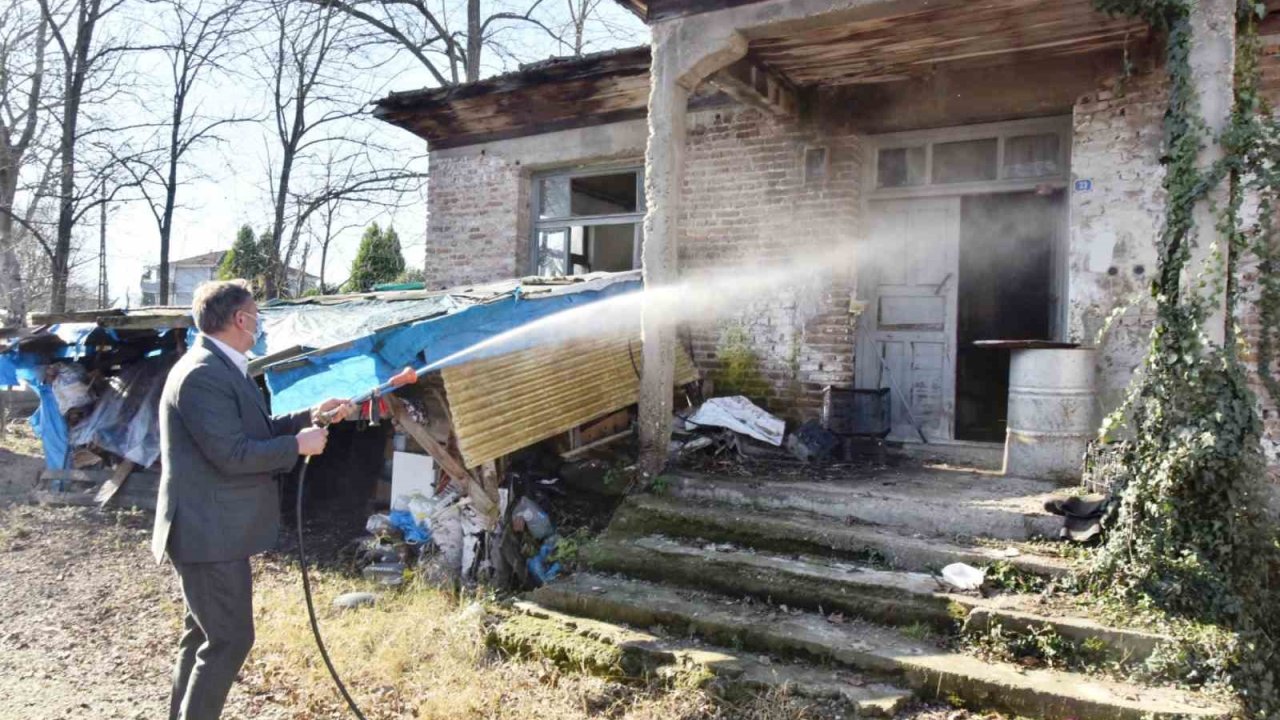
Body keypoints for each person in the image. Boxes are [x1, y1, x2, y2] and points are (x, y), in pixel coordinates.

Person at [152, 279, 353, 720]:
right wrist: (297, 446)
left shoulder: (221, 367)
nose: (259, 326)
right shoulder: (203, 374)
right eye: (257, 317)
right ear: (240, 319)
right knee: (229, 640)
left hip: (214, 530)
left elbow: (251, 430)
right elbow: (232, 454)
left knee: (202, 635)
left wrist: (311, 416)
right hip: (208, 532)